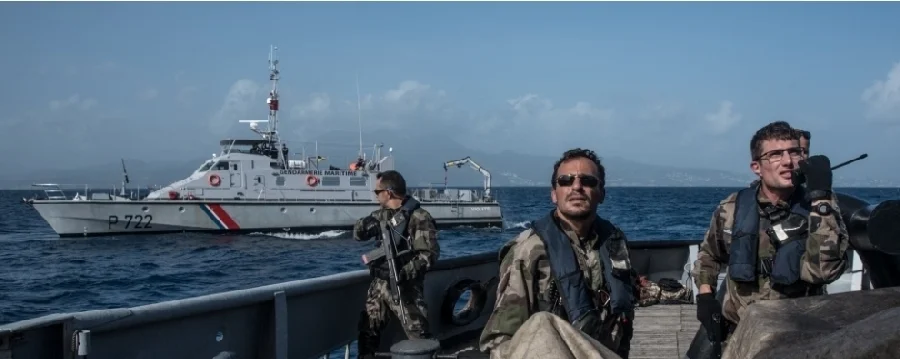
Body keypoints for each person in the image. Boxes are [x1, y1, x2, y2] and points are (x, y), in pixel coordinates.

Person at [692, 121, 849, 346]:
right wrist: (706, 296)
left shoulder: (820, 210)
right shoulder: (731, 208)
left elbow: (822, 272)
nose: (788, 161)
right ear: (756, 167)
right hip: (739, 332)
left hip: (798, 334)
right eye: (775, 154)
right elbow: (710, 255)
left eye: (794, 152)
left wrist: (822, 199)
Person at [478, 148, 637, 359]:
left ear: (601, 193)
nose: (577, 187)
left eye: (588, 181)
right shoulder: (528, 250)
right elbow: (501, 341)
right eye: (565, 181)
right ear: (554, 194)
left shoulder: (614, 244)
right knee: (542, 323)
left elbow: (626, 308)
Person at [353, 170, 441, 359]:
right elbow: (357, 234)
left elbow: (429, 254)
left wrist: (403, 271)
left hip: (405, 287)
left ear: (389, 193)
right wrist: (365, 225)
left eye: (377, 192)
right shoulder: (380, 216)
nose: (376, 196)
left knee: (419, 338)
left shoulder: (418, 217)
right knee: (368, 330)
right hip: (379, 285)